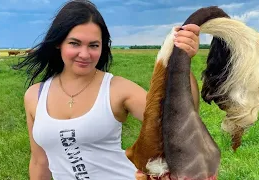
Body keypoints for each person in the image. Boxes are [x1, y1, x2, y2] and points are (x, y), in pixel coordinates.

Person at [14, 0, 201, 179]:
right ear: (58, 43)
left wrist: (182, 61)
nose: (85, 54)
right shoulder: (35, 96)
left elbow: (178, 123)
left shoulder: (116, 89)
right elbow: (39, 162)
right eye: (75, 43)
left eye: (94, 45)